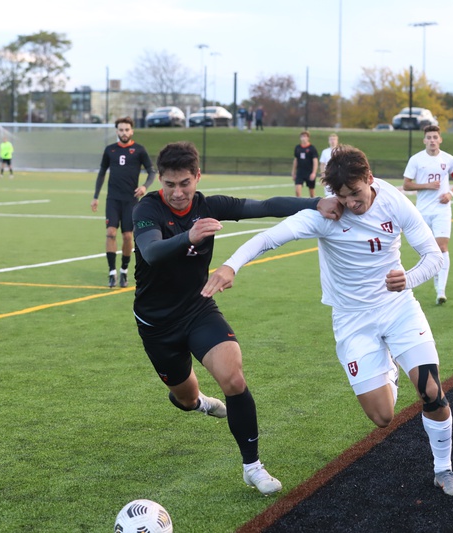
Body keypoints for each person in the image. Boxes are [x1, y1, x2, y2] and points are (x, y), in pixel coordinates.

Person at [203, 144, 453, 498]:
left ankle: (444, 470)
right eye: (342, 196)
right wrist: (230, 266)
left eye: (356, 193)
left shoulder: (394, 201)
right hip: (352, 320)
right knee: (382, 417)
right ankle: (388, 369)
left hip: (398, 308)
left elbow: (433, 255)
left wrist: (409, 278)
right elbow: (268, 238)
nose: (350, 203)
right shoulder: (325, 214)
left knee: (431, 390)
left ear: (369, 178)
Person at [131, 141, 341, 495]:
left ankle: (252, 467)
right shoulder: (147, 208)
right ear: (161, 181)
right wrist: (188, 236)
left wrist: (316, 202)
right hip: (157, 324)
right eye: (169, 184)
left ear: (198, 176)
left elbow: (265, 206)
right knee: (185, 399)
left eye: (185, 183)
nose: (178, 192)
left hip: (198, 308)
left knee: (233, 377)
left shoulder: (209, 205)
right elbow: (151, 252)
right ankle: (199, 402)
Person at [91, 117, 156, 288]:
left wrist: (144, 186)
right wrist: (95, 196)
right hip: (112, 199)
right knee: (110, 233)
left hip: (131, 200)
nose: (124, 133)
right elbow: (101, 173)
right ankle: (112, 272)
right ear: (117, 131)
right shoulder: (110, 150)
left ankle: (124, 270)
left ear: (132, 131)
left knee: (128, 236)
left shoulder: (139, 150)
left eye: (127, 130)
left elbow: (151, 172)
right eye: (121, 130)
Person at [402, 125, 453, 305]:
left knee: (442, 247)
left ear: (440, 139)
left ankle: (441, 290)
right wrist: (426, 186)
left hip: (442, 210)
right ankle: (433, 278)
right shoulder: (416, 160)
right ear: (424, 140)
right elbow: (406, 185)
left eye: (435, 137)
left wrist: (450, 193)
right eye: (429, 137)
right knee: (428, 250)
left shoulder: (449, 159)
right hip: (422, 211)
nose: (432, 140)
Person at [292, 130, 319, 198]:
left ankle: (313, 203)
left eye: (305, 136)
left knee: (312, 193)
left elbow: (315, 161)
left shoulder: (312, 148)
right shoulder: (297, 148)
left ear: (308, 138)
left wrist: (314, 173)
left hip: (309, 172)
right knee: (297, 190)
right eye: (302, 137)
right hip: (300, 172)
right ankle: (299, 203)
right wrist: (293, 172)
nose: (303, 138)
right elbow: (296, 160)